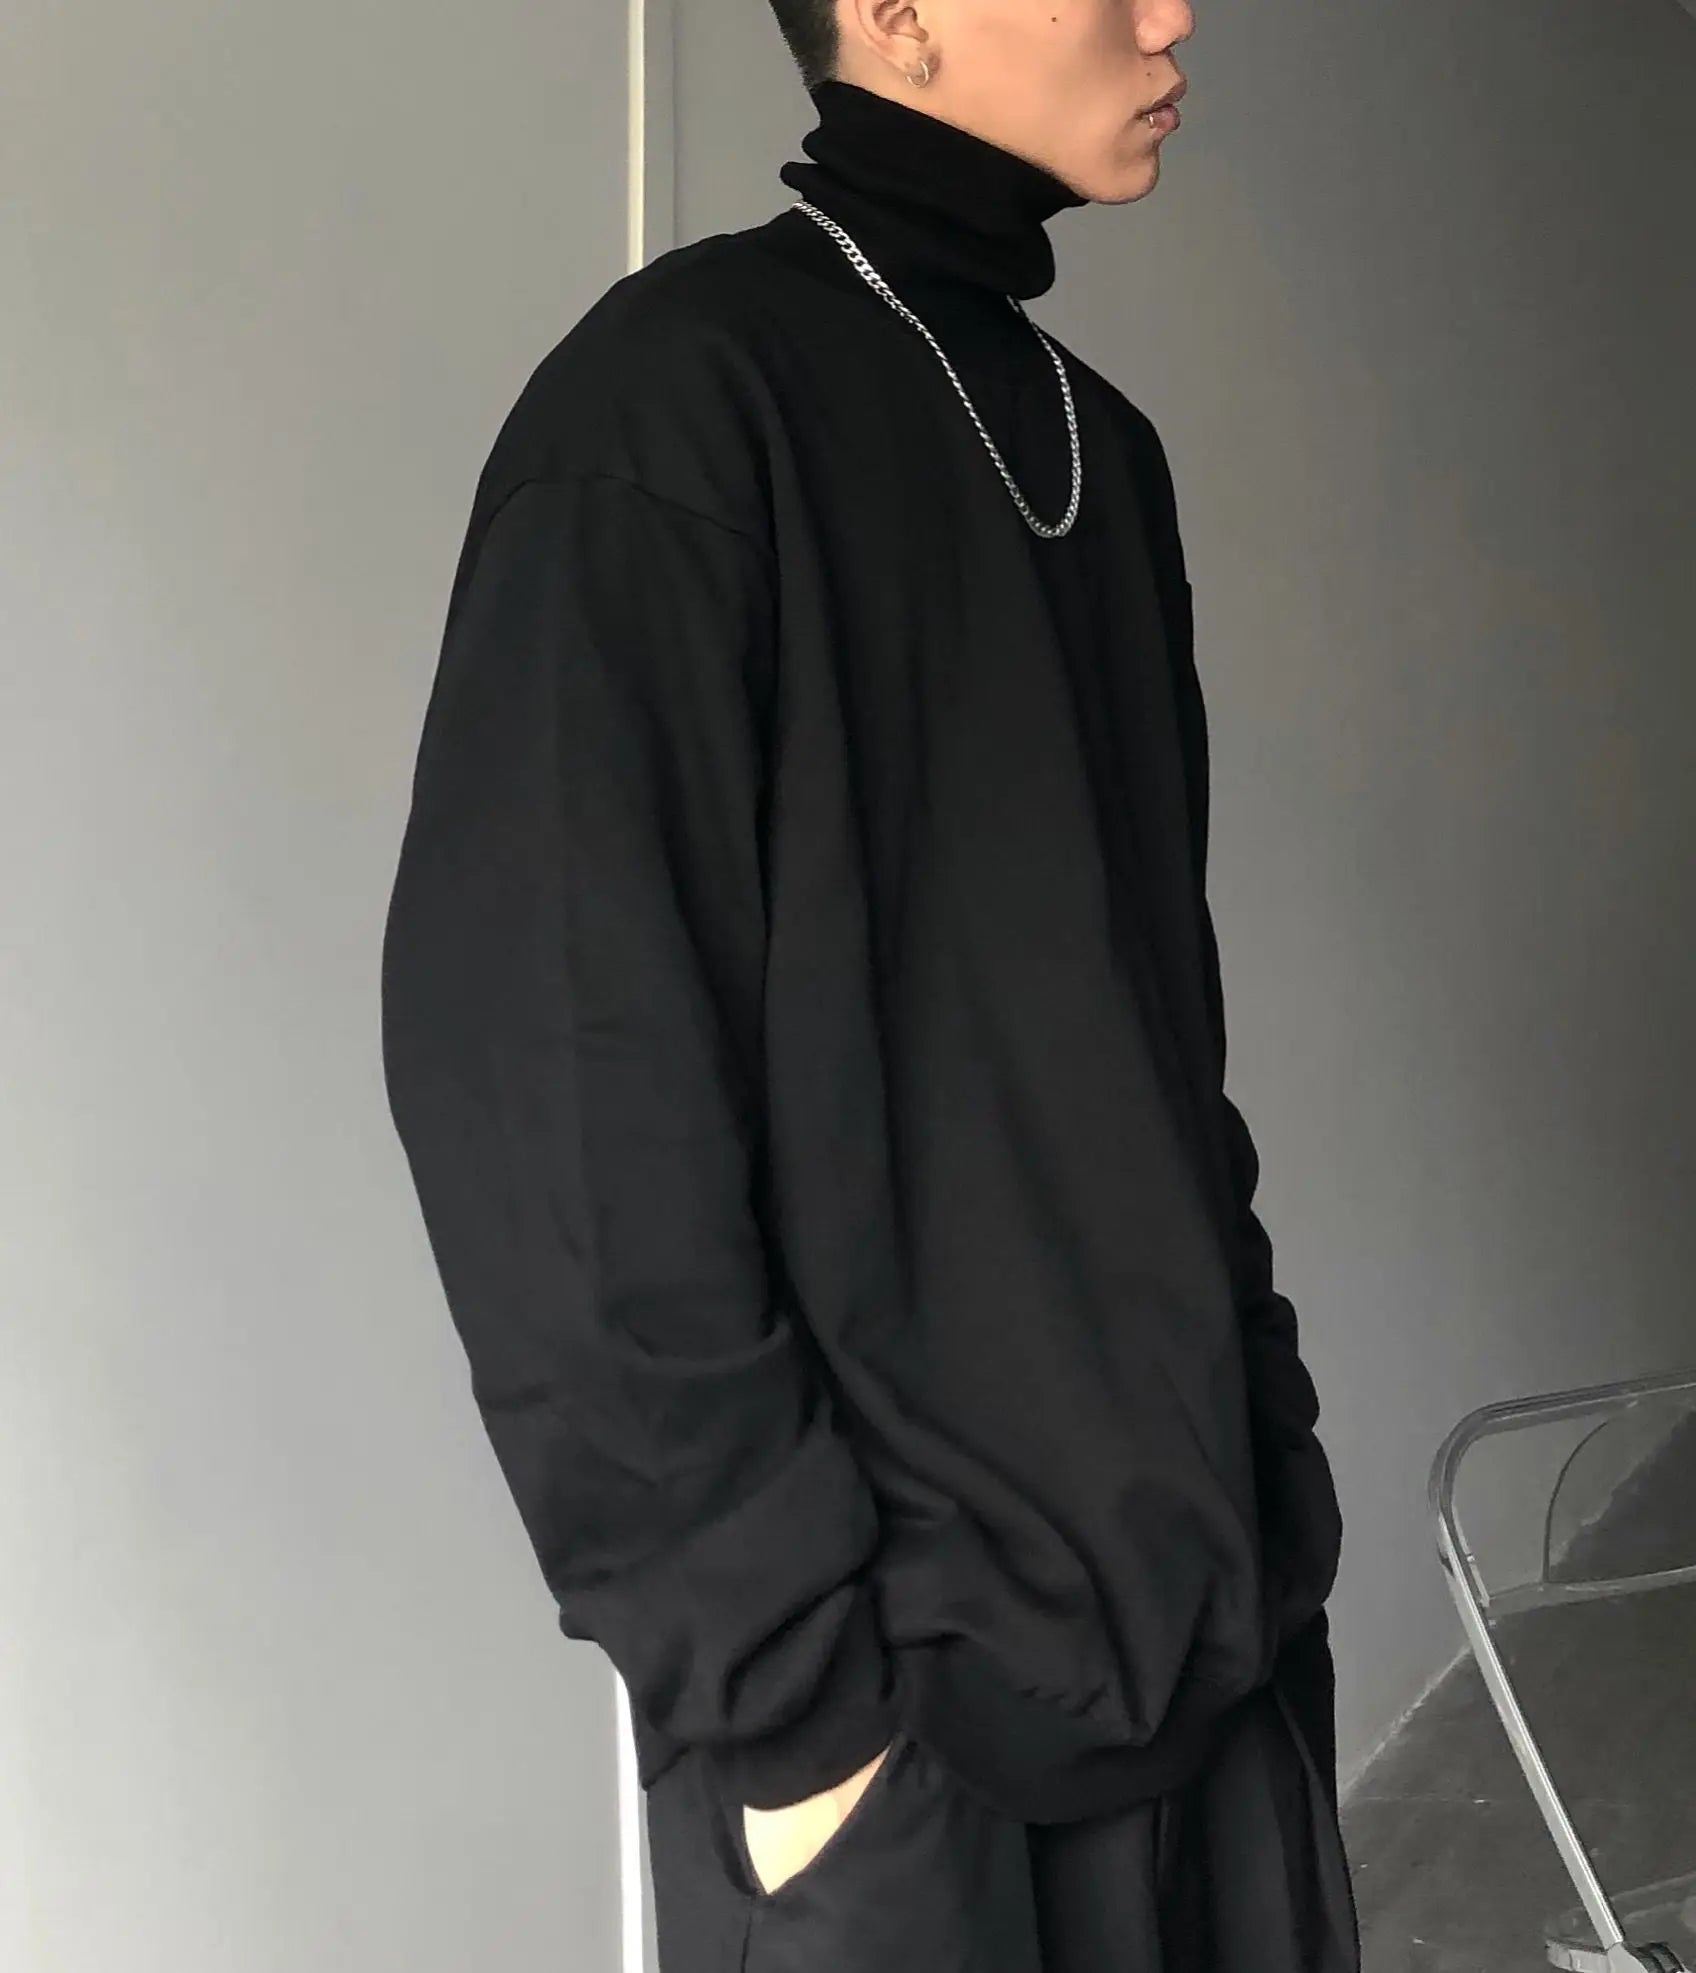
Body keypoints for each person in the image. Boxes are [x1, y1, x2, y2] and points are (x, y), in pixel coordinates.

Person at [379, 1, 1356, 1965]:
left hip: (1208, 1635)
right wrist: (790, 1696)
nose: (1171, 16)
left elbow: (1157, 1035)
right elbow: (552, 1084)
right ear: (896, 14)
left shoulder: (1103, 452)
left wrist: (1268, 1462)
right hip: (894, 1726)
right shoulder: (672, 403)